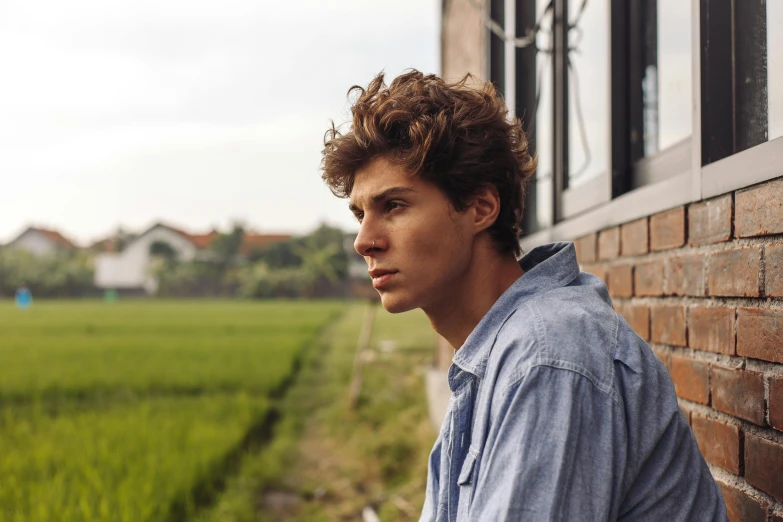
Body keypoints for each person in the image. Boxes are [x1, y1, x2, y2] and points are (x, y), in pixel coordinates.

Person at [320, 70, 727, 521]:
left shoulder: (547, 354)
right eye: (360, 213)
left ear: (481, 208)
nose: (363, 240)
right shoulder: (490, 362)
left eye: (393, 206)